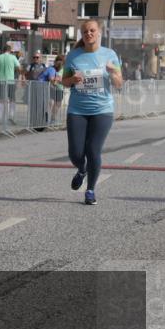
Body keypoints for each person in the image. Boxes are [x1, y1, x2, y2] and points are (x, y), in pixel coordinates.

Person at [62, 20, 123, 205]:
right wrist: (72, 79)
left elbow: (119, 84)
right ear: (82, 35)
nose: (89, 33)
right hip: (77, 110)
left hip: (102, 110)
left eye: (92, 30)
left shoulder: (110, 54)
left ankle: (90, 190)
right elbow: (64, 81)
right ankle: (82, 169)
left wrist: (112, 73)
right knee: (75, 153)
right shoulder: (73, 55)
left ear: (99, 33)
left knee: (93, 150)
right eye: (85, 31)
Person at [0, 43, 21, 123]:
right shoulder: (13, 57)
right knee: (12, 99)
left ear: (3, 50)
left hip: (1, 81)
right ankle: (11, 115)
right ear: (9, 50)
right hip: (10, 81)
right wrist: (21, 75)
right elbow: (19, 68)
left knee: (0, 100)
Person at [39, 54, 65, 126]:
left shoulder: (63, 68)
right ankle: (47, 120)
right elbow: (53, 80)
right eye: (59, 61)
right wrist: (62, 81)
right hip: (51, 88)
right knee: (50, 103)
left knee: (57, 104)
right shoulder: (53, 69)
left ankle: (52, 119)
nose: (60, 64)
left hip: (58, 88)